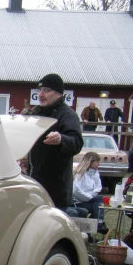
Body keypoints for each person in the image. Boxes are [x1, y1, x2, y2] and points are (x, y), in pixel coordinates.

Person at [29, 73, 84, 211]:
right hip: (34, 183)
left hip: (56, 188)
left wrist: (61, 139)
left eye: (47, 90)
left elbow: (76, 142)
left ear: (59, 94)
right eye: (39, 90)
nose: (41, 94)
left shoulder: (67, 115)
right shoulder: (35, 113)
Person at [71, 151, 107, 234]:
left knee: (96, 206)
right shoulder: (80, 173)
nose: (99, 164)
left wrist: (90, 196)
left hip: (90, 200)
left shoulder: (96, 174)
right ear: (90, 162)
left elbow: (98, 188)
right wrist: (88, 197)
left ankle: (90, 231)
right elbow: (75, 191)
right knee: (98, 201)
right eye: (97, 162)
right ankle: (100, 223)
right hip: (77, 202)